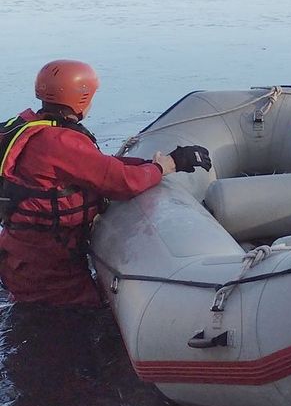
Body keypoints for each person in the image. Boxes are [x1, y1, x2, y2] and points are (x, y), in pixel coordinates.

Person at [0, 59, 212, 307]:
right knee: (77, 315)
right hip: (48, 265)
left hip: (22, 254)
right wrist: (167, 165)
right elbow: (123, 183)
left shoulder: (30, 128)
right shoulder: (60, 142)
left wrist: (146, 162)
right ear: (81, 97)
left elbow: (96, 165)